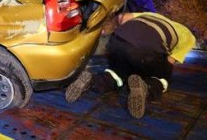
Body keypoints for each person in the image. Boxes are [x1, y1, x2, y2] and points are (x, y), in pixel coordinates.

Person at [65, 12, 196, 119]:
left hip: (117, 41)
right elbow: (170, 61)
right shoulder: (189, 37)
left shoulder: (152, 15)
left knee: (117, 72)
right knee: (163, 75)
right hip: (144, 49)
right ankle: (147, 87)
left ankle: (93, 81)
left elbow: (123, 17)